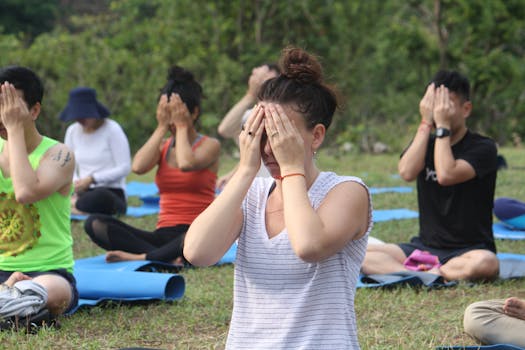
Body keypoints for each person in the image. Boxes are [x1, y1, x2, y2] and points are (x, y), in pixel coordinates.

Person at [184, 47, 372, 349]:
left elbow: (309, 246)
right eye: (262, 134)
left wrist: (292, 169)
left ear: (317, 136)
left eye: (280, 134)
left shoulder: (348, 192)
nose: (269, 148)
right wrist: (246, 169)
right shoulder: (253, 195)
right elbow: (197, 253)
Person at [362, 70, 499, 282]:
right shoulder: (425, 143)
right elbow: (406, 172)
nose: (440, 110)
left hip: (469, 250)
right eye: (435, 103)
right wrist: (426, 123)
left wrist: (442, 127)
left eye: (448, 103)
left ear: (466, 109)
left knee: (486, 264)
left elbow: (446, 174)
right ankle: (424, 275)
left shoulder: (484, 147)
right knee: (360, 255)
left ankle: (428, 273)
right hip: (424, 249)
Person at [83, 65, 220, 264]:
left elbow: (186, 163)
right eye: (168, 115)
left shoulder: (210, 145)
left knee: (191, 239)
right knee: (95, 223)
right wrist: (161, 126)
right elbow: (137, 167)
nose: (173, 121)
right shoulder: (162, 146)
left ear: (194, 112)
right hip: (162, 235)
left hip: (196, 232)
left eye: (177, 114)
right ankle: (167, 258)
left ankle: (143, 257)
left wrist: (181, 126)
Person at [0, 66, 78, 322]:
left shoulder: (59, 155)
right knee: (27, 295)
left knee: (51, 293)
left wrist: (13, 130)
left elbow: (24, 192)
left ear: (34, 110)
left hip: (48, 273)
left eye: (11, 108)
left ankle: (15, 298)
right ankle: (13, 302)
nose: (4, 116)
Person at [60, 87, 131, 216]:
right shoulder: (72, 131)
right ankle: (76, 205)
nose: (80, 121)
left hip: (109, 192)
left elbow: (124, 168)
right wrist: (76, 182)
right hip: (81, 191)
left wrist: (93, 179)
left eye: (83, 116)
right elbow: (68, 164)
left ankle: (73, 206)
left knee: (99, 196)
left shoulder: (112, 130)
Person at [216, 63, 280, 190]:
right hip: (254, 188)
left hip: (277, 186)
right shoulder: (250, 115)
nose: (254, 70)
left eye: (261, 71)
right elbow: (224, 129)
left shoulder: (284, 113)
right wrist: (233, 174)